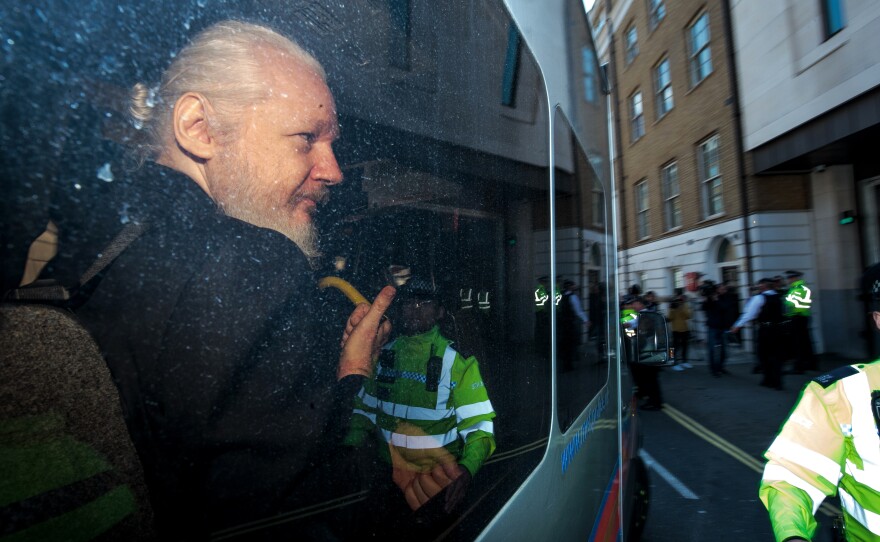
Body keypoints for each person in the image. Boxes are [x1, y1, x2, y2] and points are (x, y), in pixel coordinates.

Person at [70, 20, 396, 538]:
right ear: (199, 128)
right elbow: (300, 511)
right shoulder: (251, 260)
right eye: (305, 138)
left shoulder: (90, 240)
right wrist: (355, 374)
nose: (333, 170)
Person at [345, 275, 496, 530]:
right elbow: (365, 408)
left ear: (439, 313)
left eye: (424, 304)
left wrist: (466, 470)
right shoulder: (385, 355)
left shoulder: (456, 363)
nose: (415, 309)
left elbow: (480, 426)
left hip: (435, 483)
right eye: (410, 303)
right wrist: (351, 447)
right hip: (386, 476)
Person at [758, 263, 880, 541]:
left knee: (800, 349)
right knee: (801, 350)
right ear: (878, 318)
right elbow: (793, 477)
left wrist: (790, 314)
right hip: (796, 323)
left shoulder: (794, 291)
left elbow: (796, 307)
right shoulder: (841, 394)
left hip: (794, 323)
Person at [731, 278, 785, 390]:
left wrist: (738, 325)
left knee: (764, 355)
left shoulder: (759, 298)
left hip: (765, 330)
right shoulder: (779, 296)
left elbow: (749, 314)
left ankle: (768, 379)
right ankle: (777, 382)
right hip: (778, 329)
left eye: (759, 285)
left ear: (763, 286)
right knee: (776, 356)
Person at [621, 295, 663, 410]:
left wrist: (629, 330)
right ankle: (651, 399)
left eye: (635, 303)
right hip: (649, 350)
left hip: (648, 351)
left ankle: (655, 402)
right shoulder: (642, 315)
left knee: (650, 378)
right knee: (649, 378)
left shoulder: (645, 316)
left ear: (640, 304)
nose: (633, 305)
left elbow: (641, 334)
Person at [784, 270, 818, 373]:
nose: (788, 280)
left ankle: (799, 366)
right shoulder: (803, 287)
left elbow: (790, 303)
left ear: (794, 278)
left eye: (789, 278)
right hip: (803, 316)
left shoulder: (797, 289)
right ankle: (811, 363)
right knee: (806, 341)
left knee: (798, 343)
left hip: (797, 317)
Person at [701, 281, 735, 377]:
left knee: (724, 351)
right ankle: (714, 370)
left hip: (723, 327)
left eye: (724, 289)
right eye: (720, 288)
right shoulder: (711, 297)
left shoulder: (727, 297)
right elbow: (704, 308)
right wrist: (706, 299)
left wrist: (717, 300)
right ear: (717, 289)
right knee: (711, 349)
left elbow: (725, 307)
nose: (722, 290)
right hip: (712, 327)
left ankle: (720, 367)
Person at [559, 279, 590, 371]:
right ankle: (569, 364)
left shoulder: (562, 295)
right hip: (570, 323)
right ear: (570, 286)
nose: (575, 287)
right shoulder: (573, 297)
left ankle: (565, 363)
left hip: (562, 323)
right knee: (570, 343)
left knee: (565, 344)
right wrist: (586, 320)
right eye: (573, 285)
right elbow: (578, 311)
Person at [667, 288, 693, 371]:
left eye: (680, 295)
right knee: (673, 347)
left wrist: (681, 307)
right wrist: (672, 308)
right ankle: (672, 362)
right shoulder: (673, 304)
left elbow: (688, 316)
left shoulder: (684, 304)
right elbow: (670, 318)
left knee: (685, 346)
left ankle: (684, 361)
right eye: (677, 295)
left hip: (685, 329)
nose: (678, 297)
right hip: (675, 329)